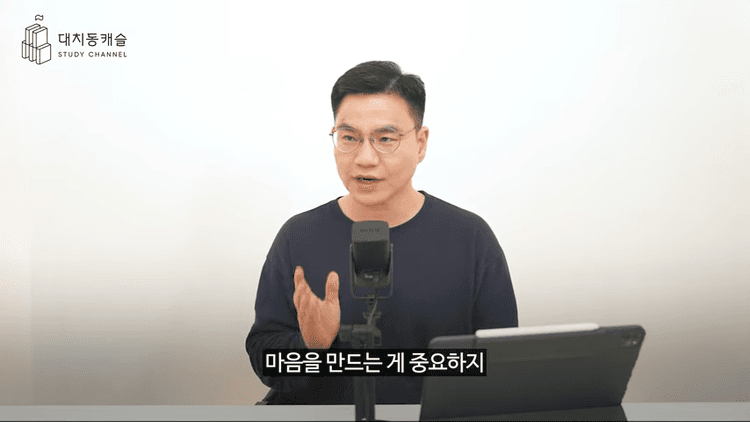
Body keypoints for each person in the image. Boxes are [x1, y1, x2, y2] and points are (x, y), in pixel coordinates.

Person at [245, 61, 518, 405]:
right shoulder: (299, 236)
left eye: (385, 139)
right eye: (349, 138)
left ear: (420, 143)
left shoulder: (470, 238)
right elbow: (264, 359)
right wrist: (312, 347)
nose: (365, 158)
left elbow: (502, 362)